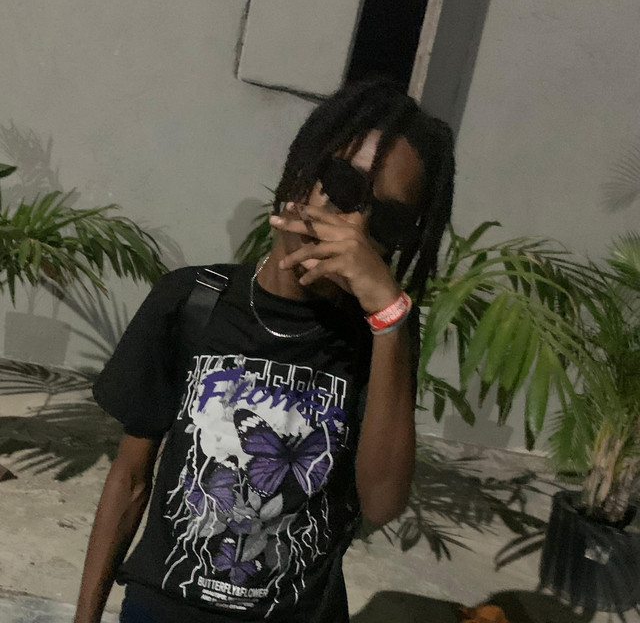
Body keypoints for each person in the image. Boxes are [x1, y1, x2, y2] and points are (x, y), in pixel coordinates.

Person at [73, 79, 455, 623]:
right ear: (300, 174)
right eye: (344, 189)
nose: (353, 230)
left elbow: (382, 503)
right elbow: (130, 479)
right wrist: (85, 617)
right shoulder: (191, 300)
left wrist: (391, 320)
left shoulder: (380, 334)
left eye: (387, 221)